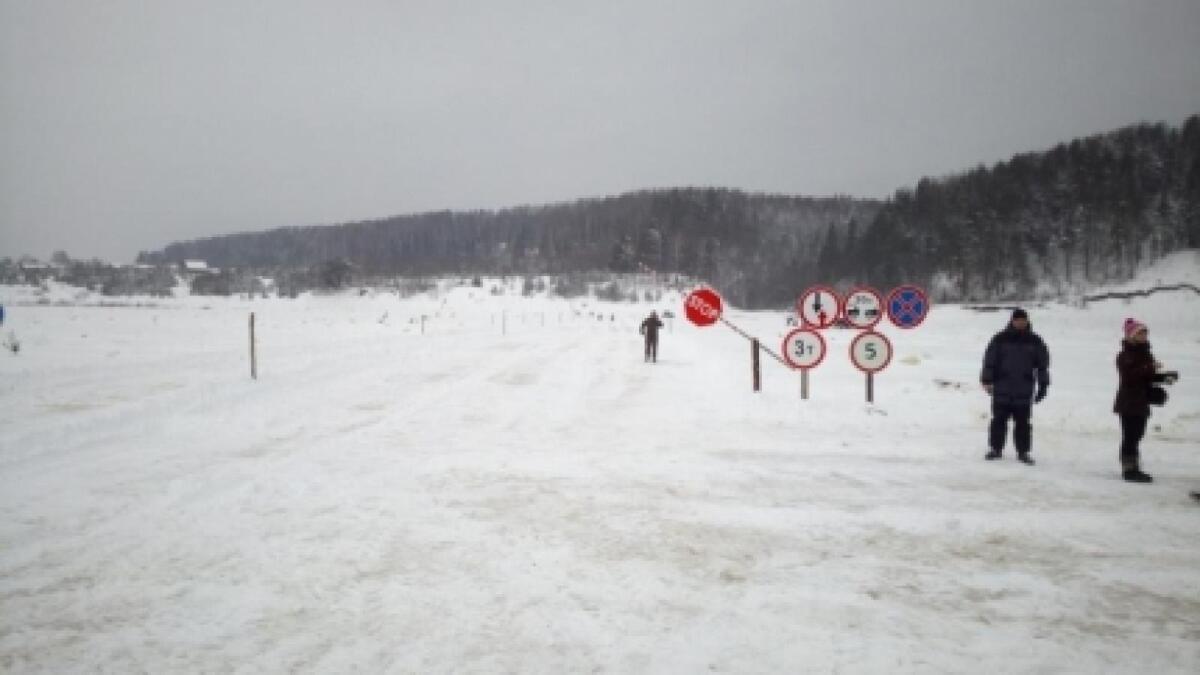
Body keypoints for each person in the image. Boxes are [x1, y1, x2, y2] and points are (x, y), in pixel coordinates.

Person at [980, 308, 1050, 464]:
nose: (1020, 323)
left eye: (1023, 320)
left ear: (1027, 321)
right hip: (1002, 387)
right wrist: (986, 380)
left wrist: (1043, 385)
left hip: (1023, 389)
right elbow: (989, 361)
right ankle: (995, 449)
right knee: (998, 421)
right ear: (1012, 321)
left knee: (1023, 423)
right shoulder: (1000, 338)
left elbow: (1042, 366)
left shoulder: (1035, 341)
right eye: (1017, 320)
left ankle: (1023, 452)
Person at [1113, 318, 1165, 483]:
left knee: (1138, 433)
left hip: (1141, 400)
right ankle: (1129, 468)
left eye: (1145, 332)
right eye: (1141, 332)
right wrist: (1149, 368)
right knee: (1130, 434)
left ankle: (1134, 464)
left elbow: (1145, 376)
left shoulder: (1146, 353)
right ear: (1131, 335)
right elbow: (1129, 377)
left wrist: (1162, 377)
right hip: (1128, 401)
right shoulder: (1124, 355)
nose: (1144, 335)